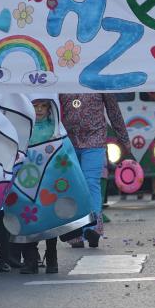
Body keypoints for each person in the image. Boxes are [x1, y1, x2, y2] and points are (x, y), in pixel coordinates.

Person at [59, 93, 130, 248]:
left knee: (91, 182)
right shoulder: (62, 76)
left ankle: (92, 228)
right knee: (72, 186)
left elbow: (114, 110)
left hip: (94, 139)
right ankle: (75, 233)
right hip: (67, 140)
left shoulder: (99, 80)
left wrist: (123, 138)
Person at [20, 99, 58, 275]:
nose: (40, 110)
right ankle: (30, 259)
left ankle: (52, 257)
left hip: (49, 177)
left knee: (50, 217)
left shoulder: (54, 126)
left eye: (43, 106)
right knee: (28, 217)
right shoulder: (25, 126)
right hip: (28, 177)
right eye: (36, 106)